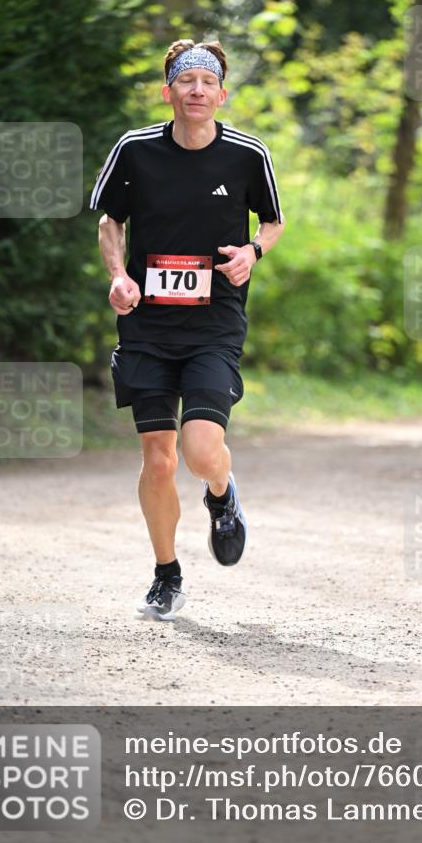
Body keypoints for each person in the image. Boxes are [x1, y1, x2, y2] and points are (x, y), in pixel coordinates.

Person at [89, 39, 285, 620]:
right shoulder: (135, 150)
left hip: (213, 325)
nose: (196, 90)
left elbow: (272, 221)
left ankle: (223, 499)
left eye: (207, 82)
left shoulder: (247, 156)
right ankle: (165, 574)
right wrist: (120, 277)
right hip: (147, 325)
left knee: (202, 450)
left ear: (222, 95)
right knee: (158, 459)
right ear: (167, 90)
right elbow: (109, 220)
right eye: (185, 80)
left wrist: (252, 251)